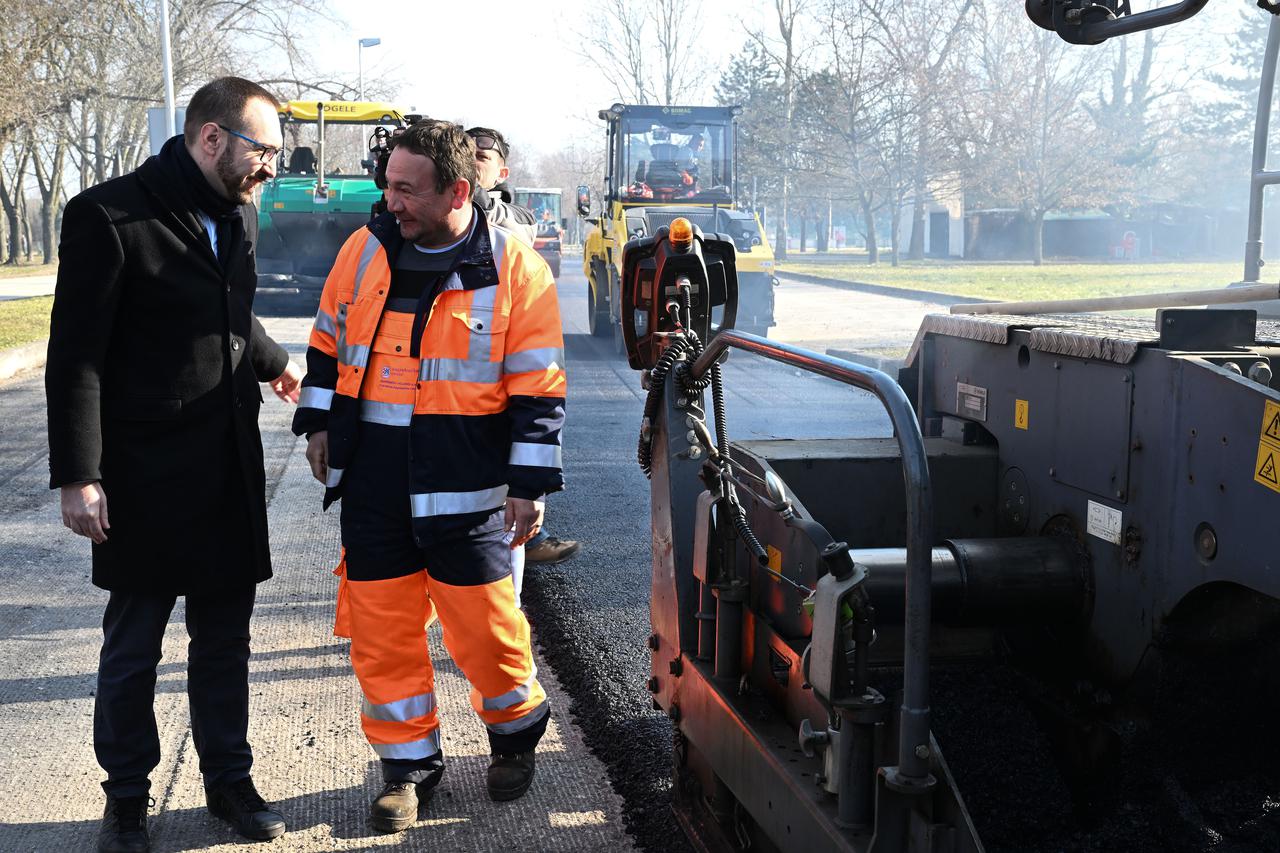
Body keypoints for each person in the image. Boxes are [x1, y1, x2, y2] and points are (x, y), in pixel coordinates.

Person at [45, 76, 300, 853]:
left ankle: (229, 779)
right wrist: (78, 474)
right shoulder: (110, 216)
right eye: (264, 150)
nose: (272, 168)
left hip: (228, 465)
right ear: (212, 138)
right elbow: (76, 355)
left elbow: (227, 308)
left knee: (225, 640)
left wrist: (273, 361)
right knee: (134, 646)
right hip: (145, 475)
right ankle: (126, 798)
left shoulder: (241, 215)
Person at [292, 120, 566, 833]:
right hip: (376, 488)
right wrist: (319, 425)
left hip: (468, 490)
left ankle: (514, 737)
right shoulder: (365, 249)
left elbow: (539, 389)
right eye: (389, 185)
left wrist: (528, 486)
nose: (392, 202)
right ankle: (408, 768)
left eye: (407, 190)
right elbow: (326, 342)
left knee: (487, 633)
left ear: (459, 190)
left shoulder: (515, 268)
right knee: (382, 635)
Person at [466, 125, 580, 566]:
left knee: (514, 451)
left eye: (483, 155)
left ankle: (523, 538)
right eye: (464, 152)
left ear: (502, 171)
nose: (473, 160)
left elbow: (498, 234)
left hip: (505, 360)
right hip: (456, 369)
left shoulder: (515, 220)